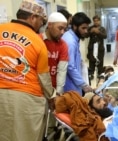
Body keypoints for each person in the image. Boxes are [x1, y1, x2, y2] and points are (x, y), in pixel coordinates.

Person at [0, 0, 56, 140]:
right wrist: (52, 96)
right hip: (26, 98)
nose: (41, 25)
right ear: (33, 17)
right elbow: (43, 77)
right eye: (41, 20)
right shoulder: (37, 41)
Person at [62, 12, 92, 96]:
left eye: (87, 28)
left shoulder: (73, 38)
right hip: (70, 86)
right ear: (75, 26)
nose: (86, 31)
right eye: (83, 28)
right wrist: (83, 85)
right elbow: (70, 66)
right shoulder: (70, 41)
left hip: (74, 83)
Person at [40, 12, 68, 94]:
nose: (62, 32)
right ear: (49, 25)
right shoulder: (38, 40)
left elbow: (62, 70)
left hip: (54, 89)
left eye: (64, 29)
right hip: (37, 89)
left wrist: (58, 93)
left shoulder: (63, 45)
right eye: (60, 28)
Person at [86, 15, 107, 80]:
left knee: (100, 62)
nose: (96, 22)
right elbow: (86, 35)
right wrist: (91, 32)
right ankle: (91, 74)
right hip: (92, 49)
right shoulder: (90, 28)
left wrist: (98, 32)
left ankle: (100, 74)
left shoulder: (102, 29)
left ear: (100, 21)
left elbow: (105, 36)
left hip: (99, 49)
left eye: (97, 21)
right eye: (94, 21)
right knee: (91, 62)